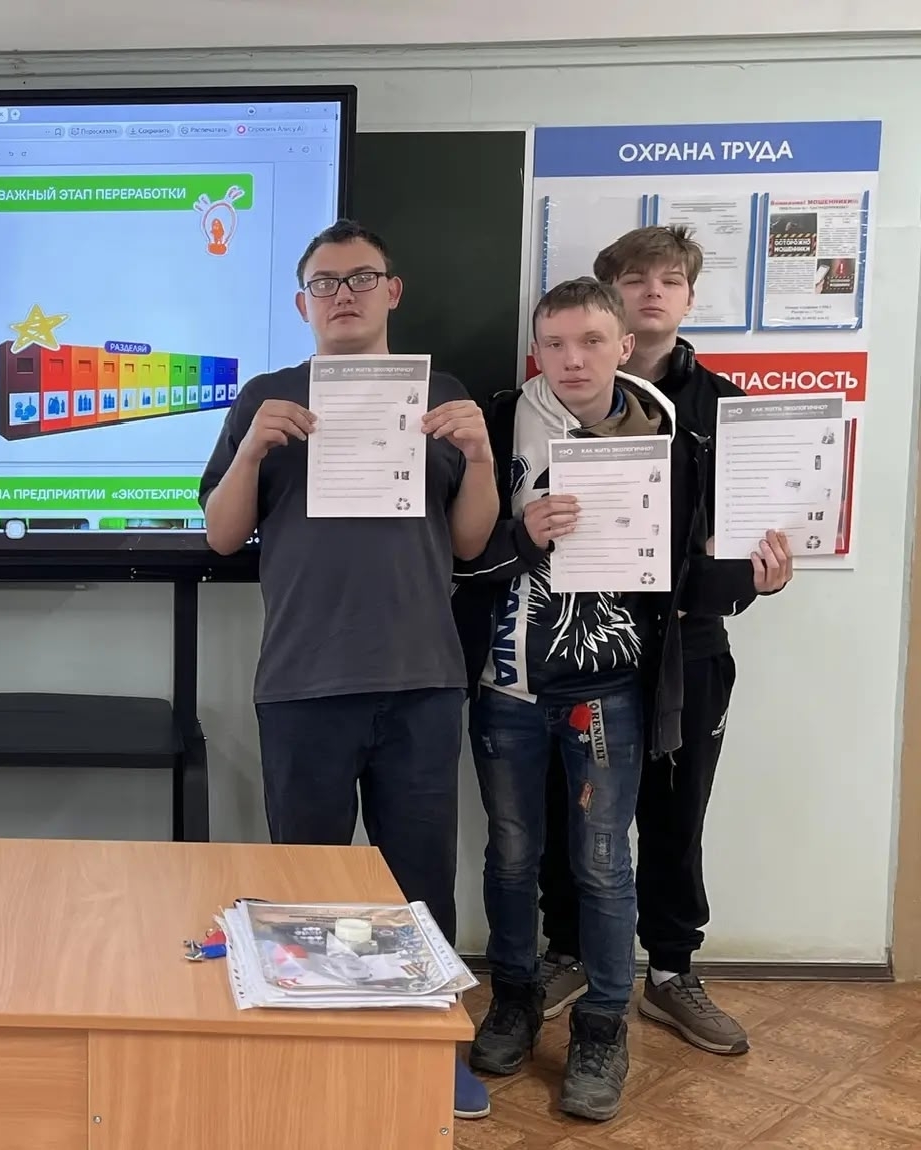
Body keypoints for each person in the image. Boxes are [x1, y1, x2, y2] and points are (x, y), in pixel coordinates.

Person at [198, 219, 501, 1120]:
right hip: (305, 681)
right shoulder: (266, 397)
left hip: (421, 679)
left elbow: (471, 541)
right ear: (303, 303)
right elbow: (221, 537)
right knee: (307, 885)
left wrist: (481, 455)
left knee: (420, 882)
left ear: (391, 292)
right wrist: (252, 449)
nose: (343, 295)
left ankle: (432, 1048)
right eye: (324, 283)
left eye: (361, 278)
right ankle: (317, 1042)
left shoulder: (443, 397)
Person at [451, 277, 761, 1122]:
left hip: (612, 690)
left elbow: (701, 566)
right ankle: (513, 999)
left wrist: (757, 577)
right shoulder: (497, 423)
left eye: (591, 341)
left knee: (602, 863)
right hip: (509, 684)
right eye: (554, 344)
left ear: (623, 346)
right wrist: (523, 537)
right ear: (536, 352)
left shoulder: (672, 431)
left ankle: (601, 1028)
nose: (573, 360)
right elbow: (460, 558)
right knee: (511, 856)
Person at [533, 226, 794, 1055]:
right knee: (570, 809)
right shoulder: (553, 401)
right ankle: (569, 950)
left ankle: (673, 971)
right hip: (581, 645)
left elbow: (747, 537)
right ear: (608, 299)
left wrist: (759, 579)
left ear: (688, 297)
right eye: (636, 279)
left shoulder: (726, 408)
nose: (653, 292)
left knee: (676, 818)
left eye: (670, 280)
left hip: (689, 648)